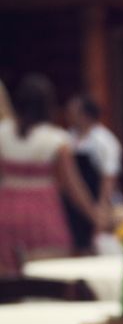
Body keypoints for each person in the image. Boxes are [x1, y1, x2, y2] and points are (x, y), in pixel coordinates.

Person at [0, 74, 100, 273]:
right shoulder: (56, 140)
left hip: (6, 206)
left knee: (7, 273)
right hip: (42, 209)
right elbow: (73, 187)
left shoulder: (3, 133)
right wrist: (95, 215)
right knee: (46, 271)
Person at [65, 94, 123, 253]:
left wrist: (101, 208)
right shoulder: (69, 137)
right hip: (75, 201)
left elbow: (109, 176)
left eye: (73, 112)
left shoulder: (104, 140)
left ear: (85, 115)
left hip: (98, 197)